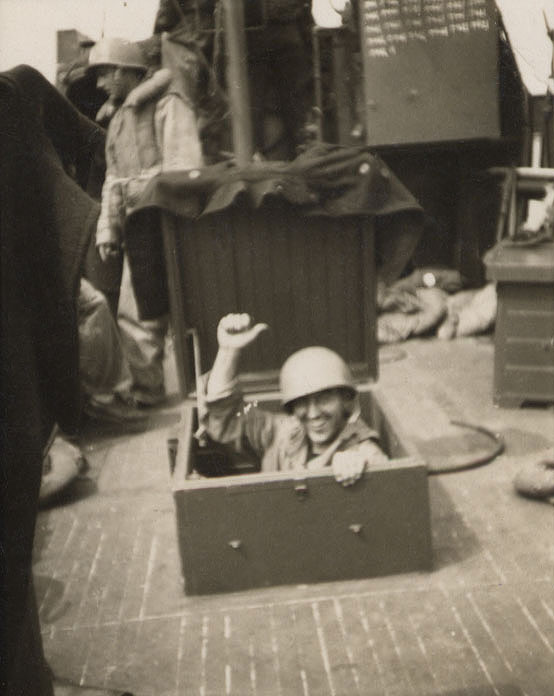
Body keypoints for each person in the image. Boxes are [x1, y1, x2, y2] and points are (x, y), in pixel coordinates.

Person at [89, 37, 204, 407]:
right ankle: (148, 389)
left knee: (191, 305)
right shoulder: (119, 120)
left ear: (126, 71)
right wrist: (109, 229)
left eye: (105, 74)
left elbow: (186, 168)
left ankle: (206, 387)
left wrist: (171, 210)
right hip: (139, 225)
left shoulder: (168, 104)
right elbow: (113, 180)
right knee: (135, 311)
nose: (100, 84)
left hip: (172, 223)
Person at [202, 313, 389, 485]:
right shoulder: (284, 432)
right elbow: (226, 419)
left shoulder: (364, 452)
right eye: (303, 402)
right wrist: (228, 351)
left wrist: (359, 464)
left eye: (324, 399)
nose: (314, 413)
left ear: (345, 401)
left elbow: (385, 479)